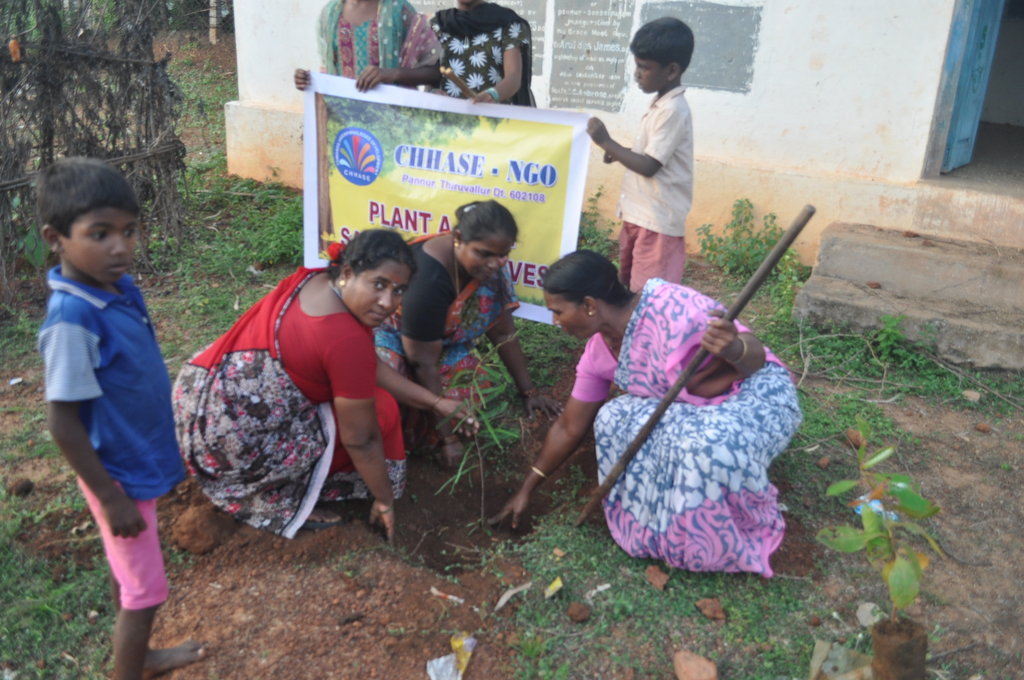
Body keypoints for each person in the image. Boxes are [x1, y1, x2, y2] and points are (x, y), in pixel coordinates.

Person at [491, 251, 802, 577]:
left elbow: (753, 355)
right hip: (692, 410)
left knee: (707, 446)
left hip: (753, 398)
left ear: (589, 305)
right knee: (613, 418)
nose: (556, 321)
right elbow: (570, 426)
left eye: (558, 311)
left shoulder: (673, 306)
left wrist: (733, 349)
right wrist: (527, 488)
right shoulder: (599, 353)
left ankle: (718, 538)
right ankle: (661, 523)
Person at [173, 230, 474, 541]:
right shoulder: (345, 339)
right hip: (226, 444)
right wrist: (384, 498)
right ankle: (278, 498)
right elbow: (361, 439)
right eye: (379, 284)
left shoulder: (316, 281)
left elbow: (371, 368)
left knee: (369, 402)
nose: (387, 302)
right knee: (379, 415)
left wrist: (436, 403)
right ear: (347, 273)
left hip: (196, 396)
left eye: (399, 291)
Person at [36, 158, 205, 679]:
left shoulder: (118, 288)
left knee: (129, 575)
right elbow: (62, 424)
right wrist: (111, 496)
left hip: (134, 458)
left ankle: (144, 657)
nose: (120, 246)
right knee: (147, 593)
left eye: (129, 231)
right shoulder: (72, 320)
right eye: (100, 233)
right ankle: (131, 668)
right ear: (56, 238)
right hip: (118, 474)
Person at [375, 200, 559, 468]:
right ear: (458, 238)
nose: (496, 263)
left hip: (440, 344)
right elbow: (422, 363)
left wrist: (529, 392)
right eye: (485, 253)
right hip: (395, 341)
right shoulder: (427, 281)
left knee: (476, 384)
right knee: (385, 396)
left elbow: (503, 331)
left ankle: (425, 426)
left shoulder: (489, 268)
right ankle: (413, 441)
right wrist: (447, 438)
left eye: (503, 254)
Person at [587, 17, 694, 291]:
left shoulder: (673, 110)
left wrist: (606, 142)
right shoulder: (660, 103)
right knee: (630, 286)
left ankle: (647, 334)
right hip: (638, 215)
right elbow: (648, 153)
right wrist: (620, 151)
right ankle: (631, 332)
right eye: (637, 65)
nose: (637, 73)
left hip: (656, 222)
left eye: (644, 67)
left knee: (649, 294)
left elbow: (649, 166)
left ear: (671, 71)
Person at [293, 0, 441, 92]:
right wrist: (308, 80)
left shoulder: (400, 10)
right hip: (342, 125)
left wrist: (391, 74)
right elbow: (328, 71)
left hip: (389, 123)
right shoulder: (330, 15)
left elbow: (435, 73)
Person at [432, 0, 534, 105]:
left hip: (492, 115)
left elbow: (513, 77)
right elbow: (430, 76)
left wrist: (493, 94)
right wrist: (433, 92)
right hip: (447, 115)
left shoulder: (508, 24)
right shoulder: (438, 25)